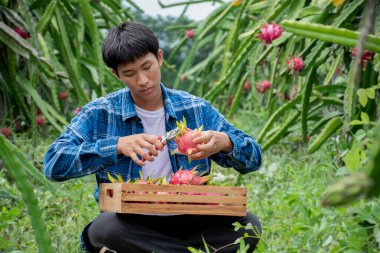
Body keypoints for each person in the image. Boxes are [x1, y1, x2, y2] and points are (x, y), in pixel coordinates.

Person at [44, 21, 263, 253]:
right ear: (116, 74)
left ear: (159, 57)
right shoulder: (99, 112)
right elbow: (53, 164)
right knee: (105, 229)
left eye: (147, 66)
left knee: (248, 225)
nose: (143, 80)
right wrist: (117, 146)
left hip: (192, 218)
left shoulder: (195, 108)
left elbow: (254, 159)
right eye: (129, 73)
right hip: (131, 221)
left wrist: (226, 143)